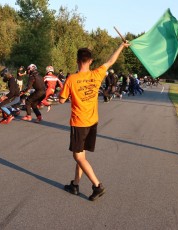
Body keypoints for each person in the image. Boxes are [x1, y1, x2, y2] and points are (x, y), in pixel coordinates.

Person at [59, 41, 130, 201]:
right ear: (90, 61)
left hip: (79, 123)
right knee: (82, 155)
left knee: (78, 157)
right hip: (93, 122)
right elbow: (111, 61)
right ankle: (75, 185)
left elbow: (62, 100)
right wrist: (121, 46)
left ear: (77, 60)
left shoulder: (71, 79)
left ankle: (97, 186)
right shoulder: (97, 74)